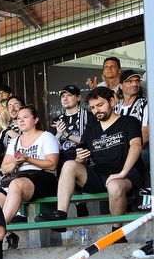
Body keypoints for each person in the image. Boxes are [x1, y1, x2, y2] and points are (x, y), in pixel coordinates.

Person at [35, 87, 143, 230]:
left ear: (111, 102)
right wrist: (80, 158)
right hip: (99, 174)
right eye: (92, 107)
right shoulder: (91, 128)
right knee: (69, 165)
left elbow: (136, 147)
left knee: (114, 185)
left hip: (127, 174)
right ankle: (60, 215)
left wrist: (122, 173)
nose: (97, 110)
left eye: (100, 105)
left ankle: (117, 232)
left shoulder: (129, 121)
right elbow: (82, 160)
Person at [0, 105, 59, 250]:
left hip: (43, 177)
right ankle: (8, 234)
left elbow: (52, 165)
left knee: (16, 184)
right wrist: (15, 162)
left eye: (25, 117)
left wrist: (28, 159)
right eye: (19, 118)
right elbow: (4, 168)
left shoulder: (46, 136)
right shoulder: (14, 142)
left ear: (36, 119)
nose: (21, 120)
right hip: (16, 177)